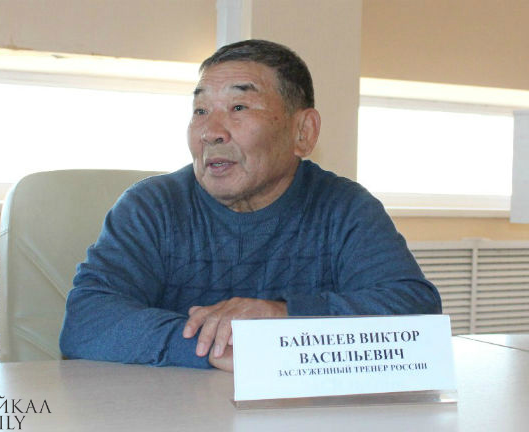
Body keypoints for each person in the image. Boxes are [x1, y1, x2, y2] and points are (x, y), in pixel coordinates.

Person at [59, 39, 441, 372]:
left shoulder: (345, 208)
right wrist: (214, 347)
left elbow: (416, 314)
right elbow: (87, 321)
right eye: (200, 111)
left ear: (303, 132)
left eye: (239, 107)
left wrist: (282, 318)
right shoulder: (151, 207)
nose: (211, 132)